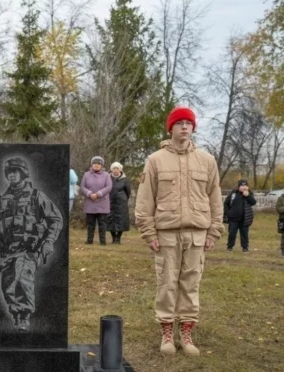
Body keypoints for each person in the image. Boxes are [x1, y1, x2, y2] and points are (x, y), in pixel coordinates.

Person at [135, 106, 223, 357]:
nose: (184, 127)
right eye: (179, 123)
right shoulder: (155, 160)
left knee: (190, 284)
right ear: (170, 127)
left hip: (197, 234)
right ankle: (166, 333)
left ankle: (186, 333)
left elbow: (215, 199)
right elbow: (144, 201)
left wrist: (214, 231)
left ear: (193, 127)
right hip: (166, 234)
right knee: (166, 284)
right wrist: (149, 233)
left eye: (188, 123)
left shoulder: (207, 161)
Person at [0, 157, 62, 332]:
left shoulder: (36, 196)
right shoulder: (2, 201)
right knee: (7, 285)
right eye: (9, 172)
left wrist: (48, 242)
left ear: (23, 173)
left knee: (22, 280)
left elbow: (55, 219)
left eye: (15, 171)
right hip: (6, 251)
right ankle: (17, 316)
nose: (12, 175)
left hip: (28, 250)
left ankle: (23, 317)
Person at [80, 156, 112, 245]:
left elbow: (109, 187)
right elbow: (82, 187)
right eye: (95, 163)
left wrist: (98, 194)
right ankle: (89, 240)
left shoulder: (106, 175)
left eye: (98, 163)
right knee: (90, 223)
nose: (96, 165)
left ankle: (103, 241)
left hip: (102, 203)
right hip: (90, 202)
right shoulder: (86, 174)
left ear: (102, 165)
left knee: (102, 223)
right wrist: (90, 194)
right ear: (92, 164)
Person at [223, 179, 256, 252]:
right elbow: (226, 203)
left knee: (244, 234)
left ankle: (245, 248)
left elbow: (253, 202)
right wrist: (228, 212)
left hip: (244, 219)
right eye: (242, 185)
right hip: (233, 218)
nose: (244, 187)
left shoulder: (249, 193)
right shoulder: (233, 194)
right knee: (232, 233)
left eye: (246, 185)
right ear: (238, 187)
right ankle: (229, 247)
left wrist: (247, 196)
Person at [107, 162, 131, 244]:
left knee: (121, 220)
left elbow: (128, 192)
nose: (115, 170)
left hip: (121, 203)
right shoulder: (108, 178)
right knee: (110, 220)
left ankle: (118, 238)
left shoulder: (125, 179)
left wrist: (123, 199)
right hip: (110, 202)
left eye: (117, 168)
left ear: (120, 170)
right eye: (114, 168)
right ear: (111, 169)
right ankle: (113, 238)